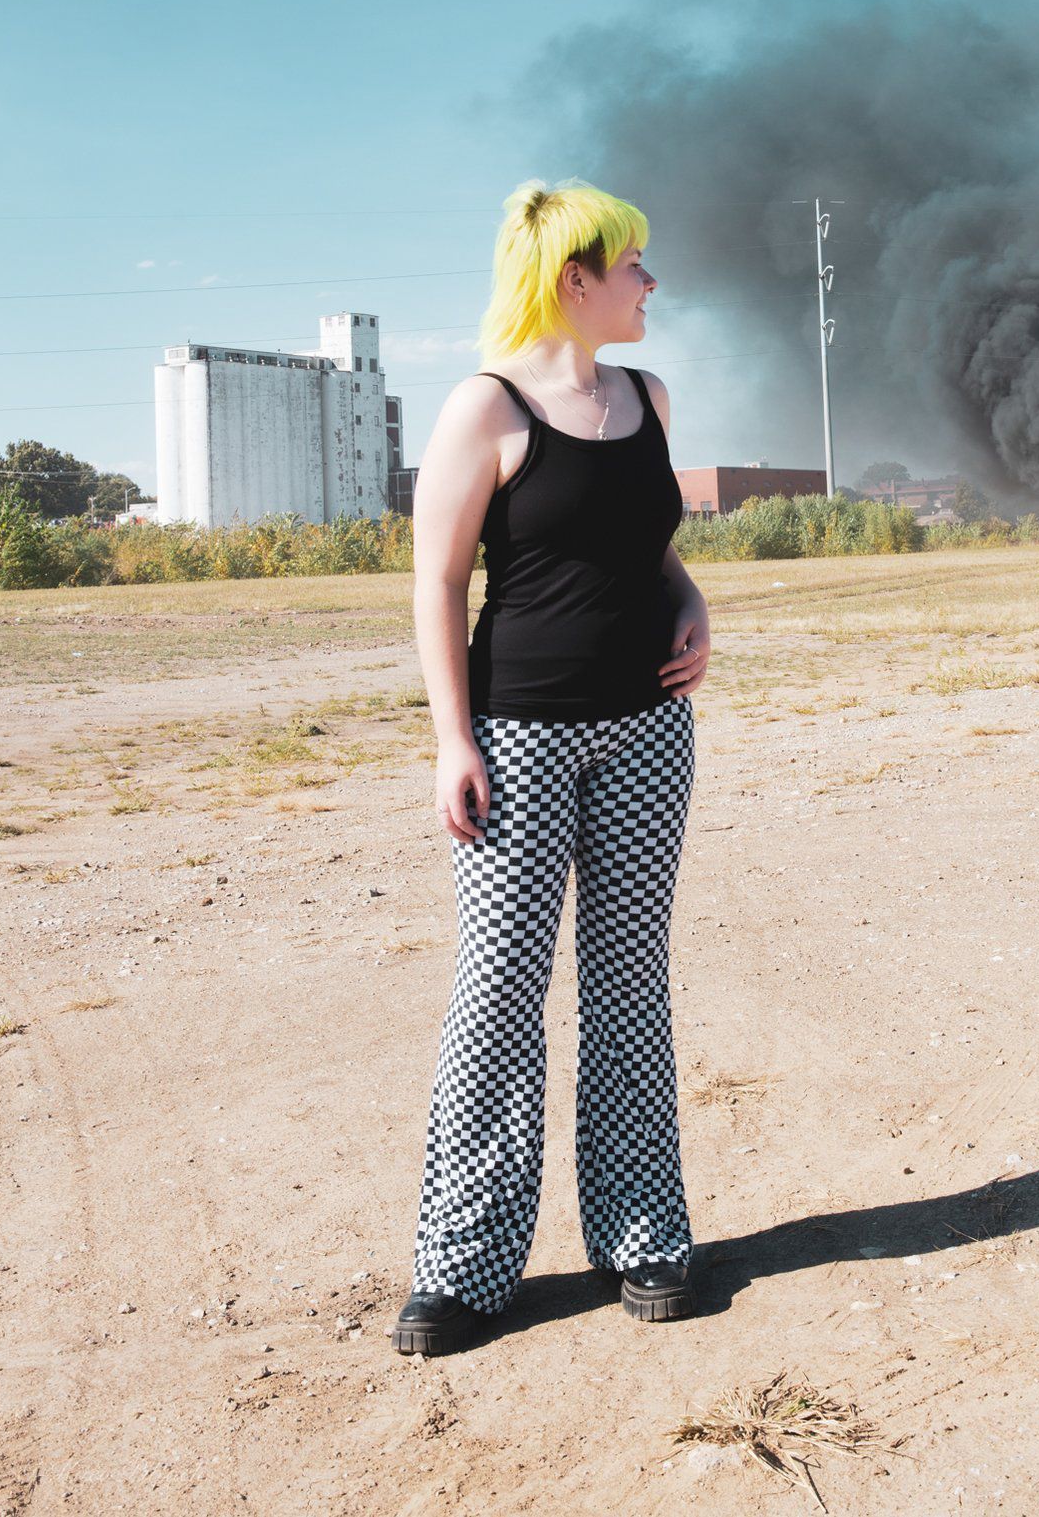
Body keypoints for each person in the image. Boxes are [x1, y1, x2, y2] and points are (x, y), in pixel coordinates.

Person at [392, 178, 713, 1357]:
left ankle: (644, 1236)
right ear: (574, 277)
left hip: (649, 733)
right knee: (498, 995)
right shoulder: (485, 410)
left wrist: (695, 604)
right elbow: (437, 583)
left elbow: (655, 549)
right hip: (519, 735)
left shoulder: (649, 396)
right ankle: (466, 1270)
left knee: (630, 982)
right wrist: (452, 740)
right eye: (634, 263)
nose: (650, 282)